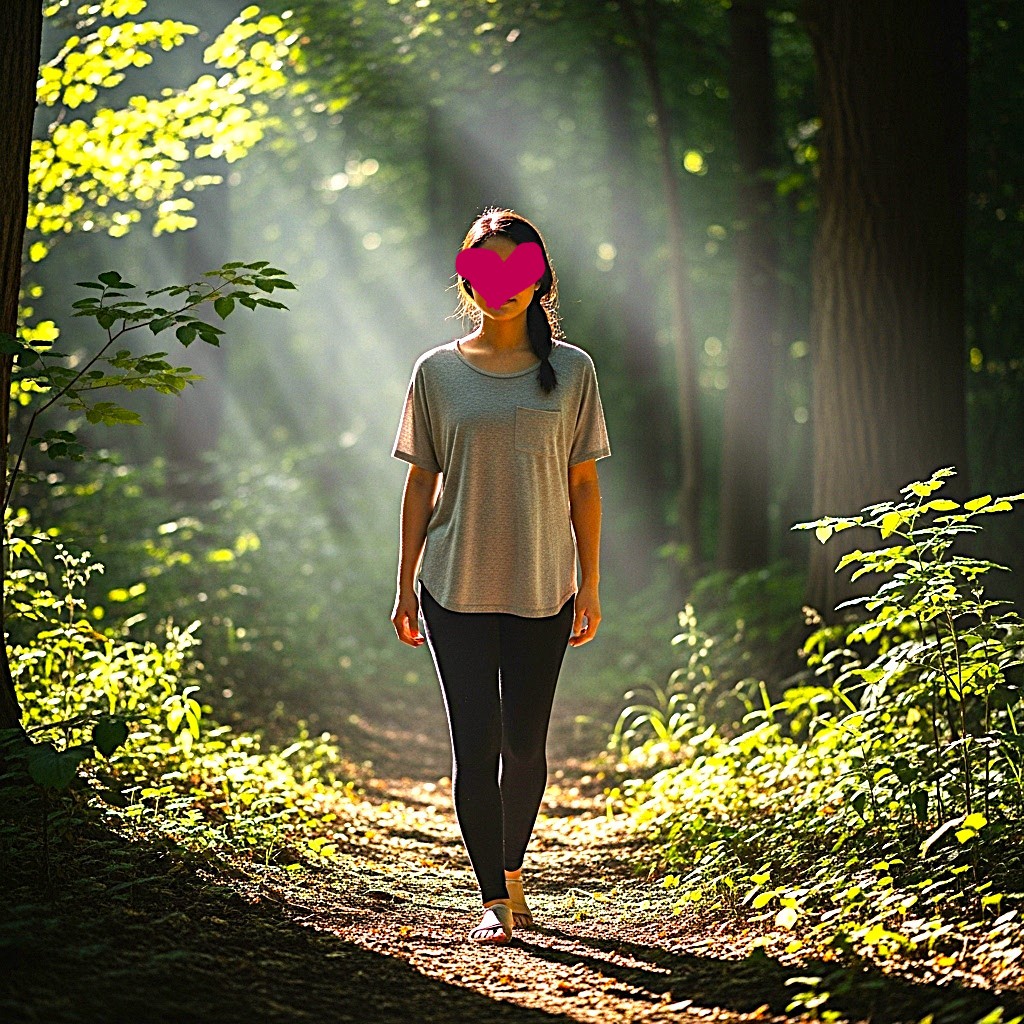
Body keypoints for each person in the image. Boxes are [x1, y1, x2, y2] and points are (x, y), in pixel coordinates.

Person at [390, 207, 611, 945]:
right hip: (453, 585)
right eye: (486, 271)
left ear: (539, 276)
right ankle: (491, 896)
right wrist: (403, 586)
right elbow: (420, 485)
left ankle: (514, 874)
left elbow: (584, 485)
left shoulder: (573, 370)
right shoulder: (436, 372)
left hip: (545, 585)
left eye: (517, 271)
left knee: (525, 746)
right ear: (467, 279)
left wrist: (592, 582)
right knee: (475, 747)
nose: (502, 286)